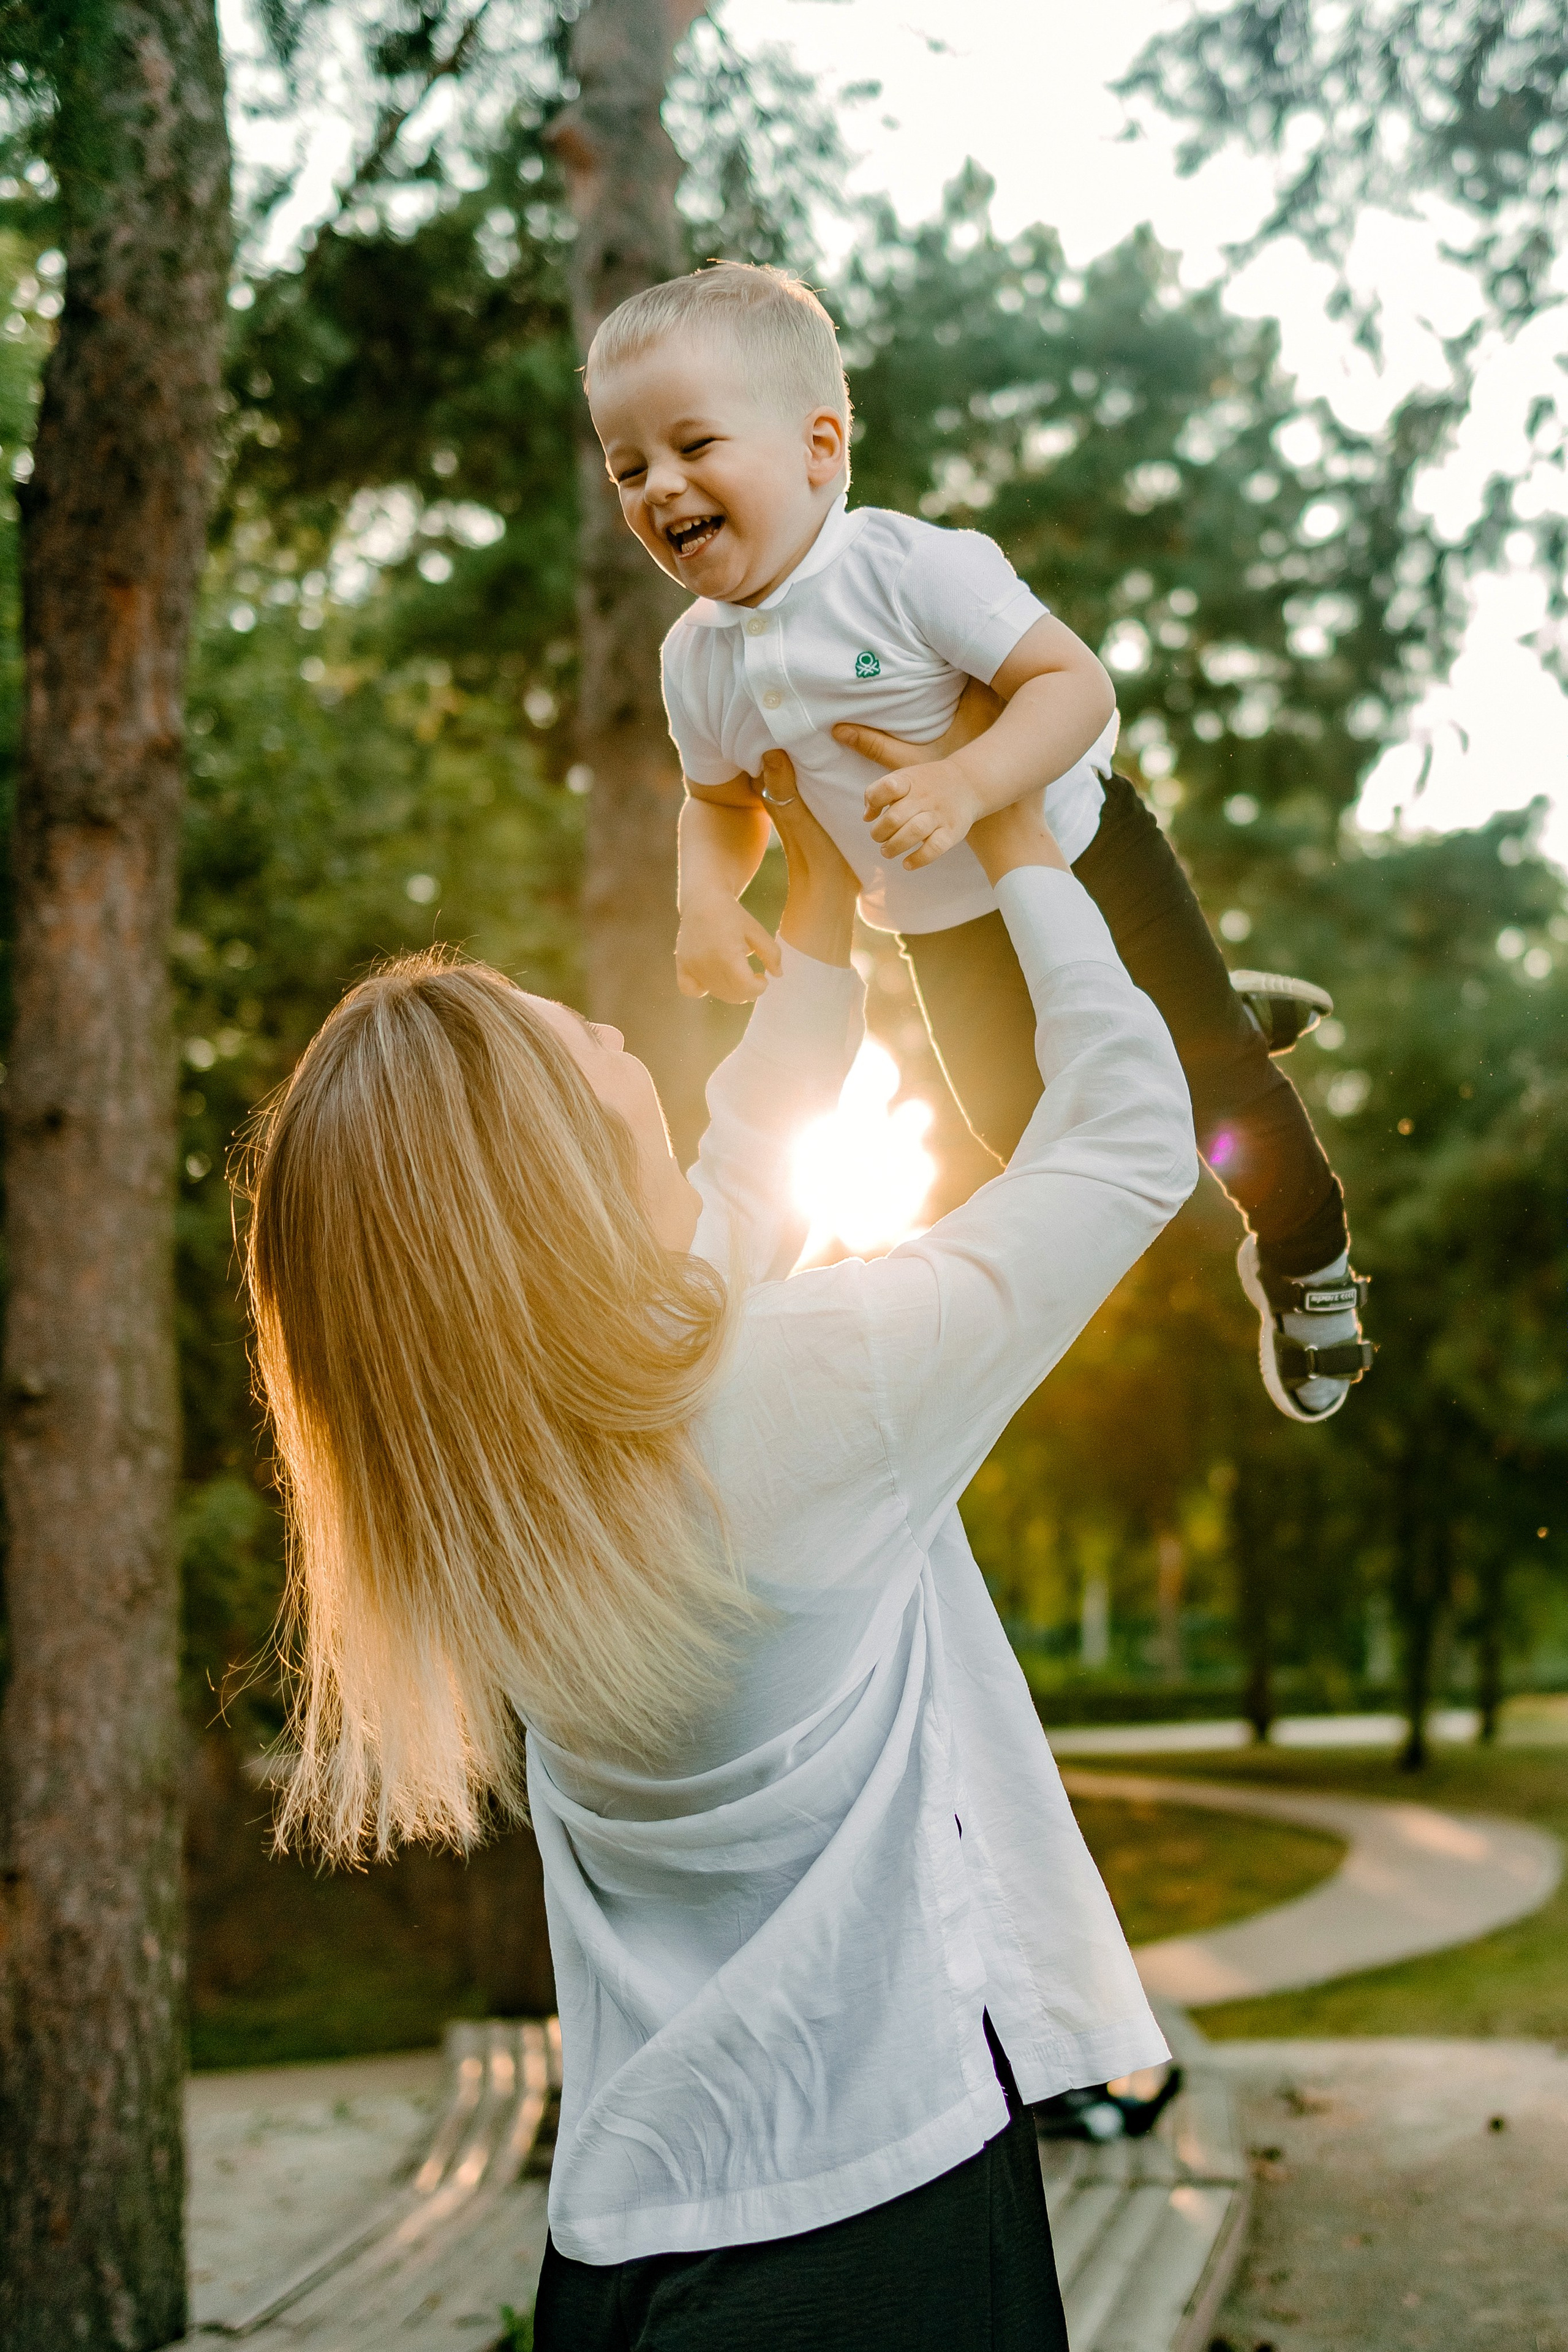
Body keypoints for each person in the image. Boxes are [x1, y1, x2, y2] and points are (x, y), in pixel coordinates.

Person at [241, 773, 1197, 2348]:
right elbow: (1130, 1145)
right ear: (548, 1160)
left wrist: (817, 908)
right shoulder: (814, 1384)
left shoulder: (506, 1489)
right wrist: (1018, 834)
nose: (617, 1035)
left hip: (628, 2241)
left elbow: (742, 1186)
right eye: (580, 1038)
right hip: (871, 2226)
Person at [586, 260, 1374, 1425]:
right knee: (1025, 1133)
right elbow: (723, 804)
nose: (661, 485)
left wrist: (968, 781)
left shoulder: (912, 569)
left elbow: (1074, 687)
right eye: (629, 467)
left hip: (1084, 854)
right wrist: (706, 901)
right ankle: (1190, 1013)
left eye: (694, 445)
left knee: (1224, 1090)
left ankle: (1308, 1256)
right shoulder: (694, 661)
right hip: (936, 921)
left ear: (819, 448)